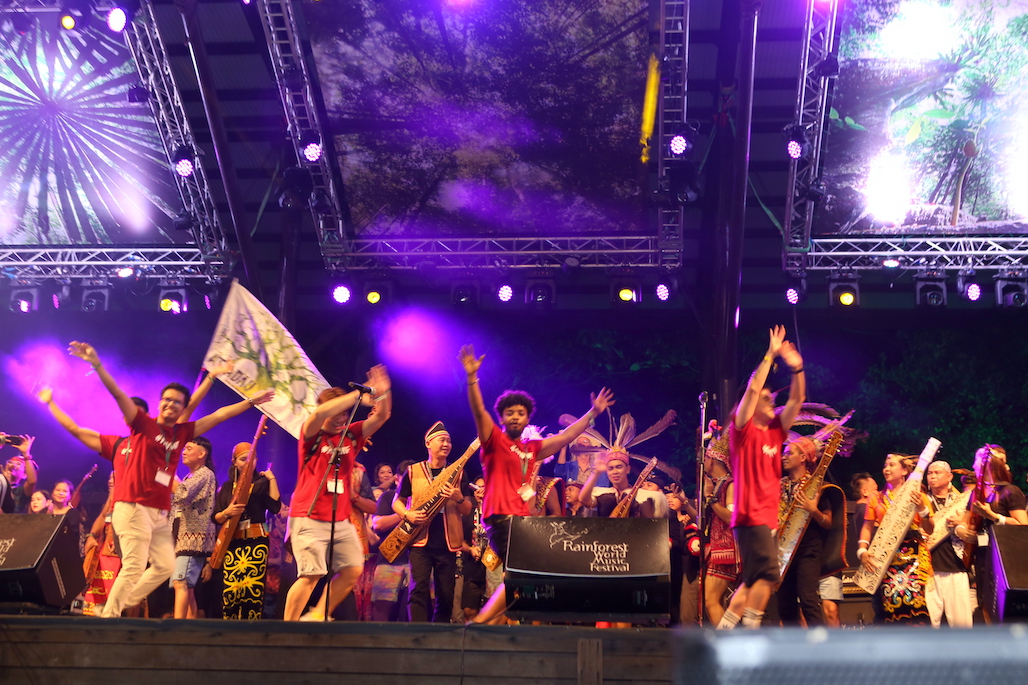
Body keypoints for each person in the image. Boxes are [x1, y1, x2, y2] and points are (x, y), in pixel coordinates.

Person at [66, 341, 272, 618]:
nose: (170, 404)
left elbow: (219, 415)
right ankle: (110, 614)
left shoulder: (182, 433)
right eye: (167, 400)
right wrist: (97, 364)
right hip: (135, 507)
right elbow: (117, 394)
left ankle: (120, 604)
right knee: (135, 567)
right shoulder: (144, 424)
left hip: (159, 514)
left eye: (177, 402)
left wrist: (249, 401)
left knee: (165, 566)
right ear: (159, 403)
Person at [458, 343, 614, 625]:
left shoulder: (531, 449)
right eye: (509, 412)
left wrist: (593, 413)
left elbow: (566, 436)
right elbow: (478, 410)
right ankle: (481, 622)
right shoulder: (494, 440)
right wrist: (472, 377)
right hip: (501, 517)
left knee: (520, 576)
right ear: (502, 417)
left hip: (521, 520)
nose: (515, 416)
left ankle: (487, 628)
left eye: (520, 413)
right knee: (522, 574)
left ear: (527, 418)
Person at [283, 365, 392, 622]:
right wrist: (358, 396)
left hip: (340, 519)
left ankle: (318, 614)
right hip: (308, 516)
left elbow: (382, 416)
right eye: (337, 413)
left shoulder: (351, 436)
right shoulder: (311, 435)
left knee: (353, 569)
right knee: (311, 575)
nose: (342, 418)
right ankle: (287, 628)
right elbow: (320, 413)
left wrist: (384, 393)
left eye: (345, 414)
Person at [718, 325, 805, 630]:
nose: (771, 402)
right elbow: (754, 389)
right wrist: (770, 354)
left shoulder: (776, 432)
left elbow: (797, 400)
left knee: (752, 581)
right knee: (768, 577)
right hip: (751, 515)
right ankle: (751, 635)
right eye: (766, 399)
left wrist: (797, 369)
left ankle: (724, 634)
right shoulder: (742, 430)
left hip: (766, 519)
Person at [392, 421, 473, 623]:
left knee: (446, 594)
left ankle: (440, 633)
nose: (446, 444)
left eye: (449, 441)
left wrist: (458, 498)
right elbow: (396, 502)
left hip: (448, 541)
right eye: (441, 440)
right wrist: (408, 515)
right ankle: (418, 632)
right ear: (428, 443)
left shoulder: (459, 473)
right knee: (418, 588)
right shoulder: (413, 471)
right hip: (419, 540)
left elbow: (466, 509)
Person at [857, 453, 935, 625]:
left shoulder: (918, 495)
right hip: (887, 555)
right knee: (891, 602)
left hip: (914, 553)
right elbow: (867, 527)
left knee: (917, 600)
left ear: (904, 470)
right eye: (885, 465)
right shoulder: (876, 498)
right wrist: (862, 550)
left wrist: (922, 509)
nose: (887, 469)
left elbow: (930, 529)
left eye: (892, 465)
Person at [213, 442, 282, 620]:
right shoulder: (227, 487)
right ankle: (230, 628)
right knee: (231, 590)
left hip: (256, 542)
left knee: (252, 590)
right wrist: (227, 512)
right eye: (243, 459)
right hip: (232, 542)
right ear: (234, 462)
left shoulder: (261, 483)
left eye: (252, 458)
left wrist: (272, 479)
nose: (248, 462)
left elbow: (275, 507)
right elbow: (216, 518)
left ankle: (251, 630)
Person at [960, 444, 1027, 622]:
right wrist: (962, 531)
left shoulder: (1010, 491)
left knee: (1001, 606)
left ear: (987, 464)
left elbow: (1023, 525)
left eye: (977, 460)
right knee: (985, 603)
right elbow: (964, 523)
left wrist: (993, 516)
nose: (973, 465)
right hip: (983, 557)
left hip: (1006, 560)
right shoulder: (977, 493)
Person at [776, 436, 832, 627]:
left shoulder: (816, 486)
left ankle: (820, 641)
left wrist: (814, 511)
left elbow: (828, 522)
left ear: (802, 458)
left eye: (788, 453)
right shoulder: (780, 486)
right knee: (785, 604)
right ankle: (794, 644)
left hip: (808, 550)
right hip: (783, 550)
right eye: (783, 453)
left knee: (808, 599)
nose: (783, 457)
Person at [171, 437, 217, 619]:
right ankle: (190, 626)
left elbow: (182, 494)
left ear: (201, 453)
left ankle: (177, 627)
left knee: (181, 582)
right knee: (187, 587)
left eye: (189, 448)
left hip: (192, 538)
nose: (184, 452)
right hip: (182, 537)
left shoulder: (204, 474)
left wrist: (165, 473)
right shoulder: (189, 477)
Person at [924, 460, 973, 628]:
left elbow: (973, 530)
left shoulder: (962, 502)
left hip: (955, 566)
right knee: (927, 624)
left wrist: (962, 522)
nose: (932, 476)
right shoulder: (921, 501)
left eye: (937, 473)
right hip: (927, 570)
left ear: (949, 477)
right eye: (929, 473)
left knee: (962, 624)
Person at [369, 459, 414, 622]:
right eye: (406, 477)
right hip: (389, 559)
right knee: (382, 606)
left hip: (417, 559)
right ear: (397, 479)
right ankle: (378, 636)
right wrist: (406, 513)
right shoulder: (388, 496)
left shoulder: (424, 500)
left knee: (419, 604)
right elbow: (378, 524)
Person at [701, 433, 738, 626]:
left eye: (706, 458)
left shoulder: (730, 484)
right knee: (715, 602)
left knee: (711, 601)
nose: (704, 462)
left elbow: (731, 517)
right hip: (716, 549)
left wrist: (709, 498)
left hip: (726, 550)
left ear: (712, 460)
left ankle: (727, 642)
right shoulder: (717, 485)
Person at [579, 452, 655, 518]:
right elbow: (583, 500)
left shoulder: (640, 495)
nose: (614, 472)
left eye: (619, 467)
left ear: (627, 469)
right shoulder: (602, 494)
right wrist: (596, 472)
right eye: (610, 468)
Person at [0, 434, 37, 514]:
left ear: (24, 475)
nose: (13, 465)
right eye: (10, 462)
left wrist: (26, 454)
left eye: (18, 464)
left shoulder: (21, 491)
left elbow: (32, 482)